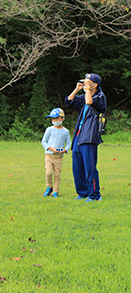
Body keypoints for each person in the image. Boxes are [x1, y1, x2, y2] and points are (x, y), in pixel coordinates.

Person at [65, 73, 107, 202]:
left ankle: (94, 195)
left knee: (89, 166)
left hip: (90, 136)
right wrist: (77, 89)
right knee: (77, 166)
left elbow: (90, 101)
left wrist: (88, 88)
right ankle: (82, 193)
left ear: (95, 84)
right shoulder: (84, 96)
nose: (85, 84)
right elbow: (69, 101)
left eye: (88, 82)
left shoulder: (100, 97)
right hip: (79, 135)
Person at [41, 108, 72, 198]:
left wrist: (65, 150)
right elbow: (44, 141)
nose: (55, 121)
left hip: (59, 157)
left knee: (57, 174)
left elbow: (69, 143)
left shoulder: (65, 131)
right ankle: (49, 186)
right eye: (53, 119)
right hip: (49, 155)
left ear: (62, 118)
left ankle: (55, 191)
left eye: (57, 118)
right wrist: (51, 148)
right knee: (48, 173)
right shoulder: (49, 129)